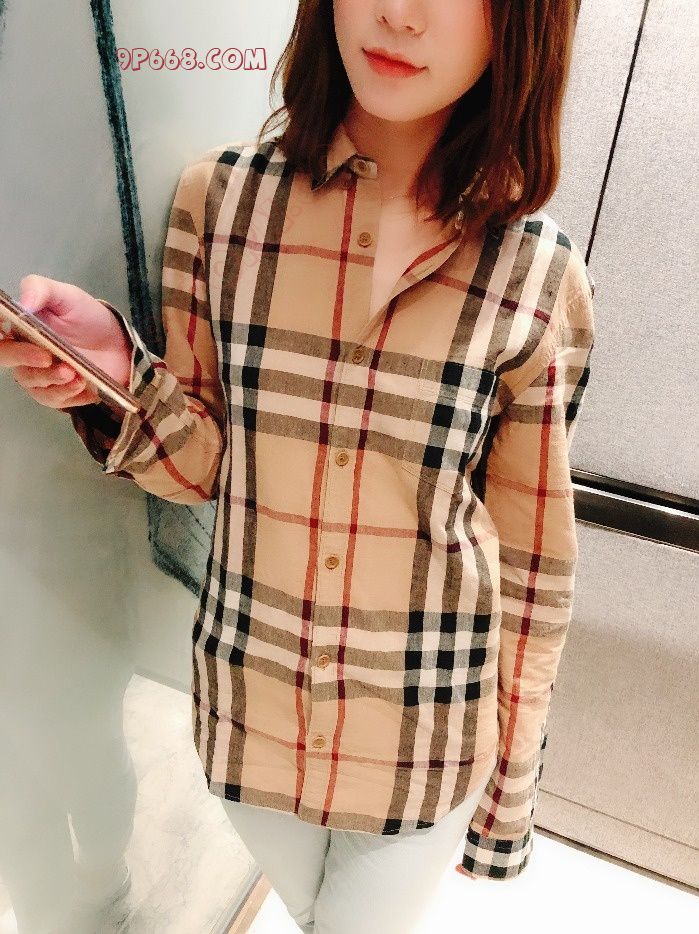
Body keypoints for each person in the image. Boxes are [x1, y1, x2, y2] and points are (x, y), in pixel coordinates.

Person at [1, 0, 596, 930]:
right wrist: (120, 377)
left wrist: (507, 798)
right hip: (253, 724)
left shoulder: (538, 276)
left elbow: (532, 562)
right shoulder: (220, 203)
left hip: (424, 742)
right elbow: (208, 468)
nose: (398, 13)